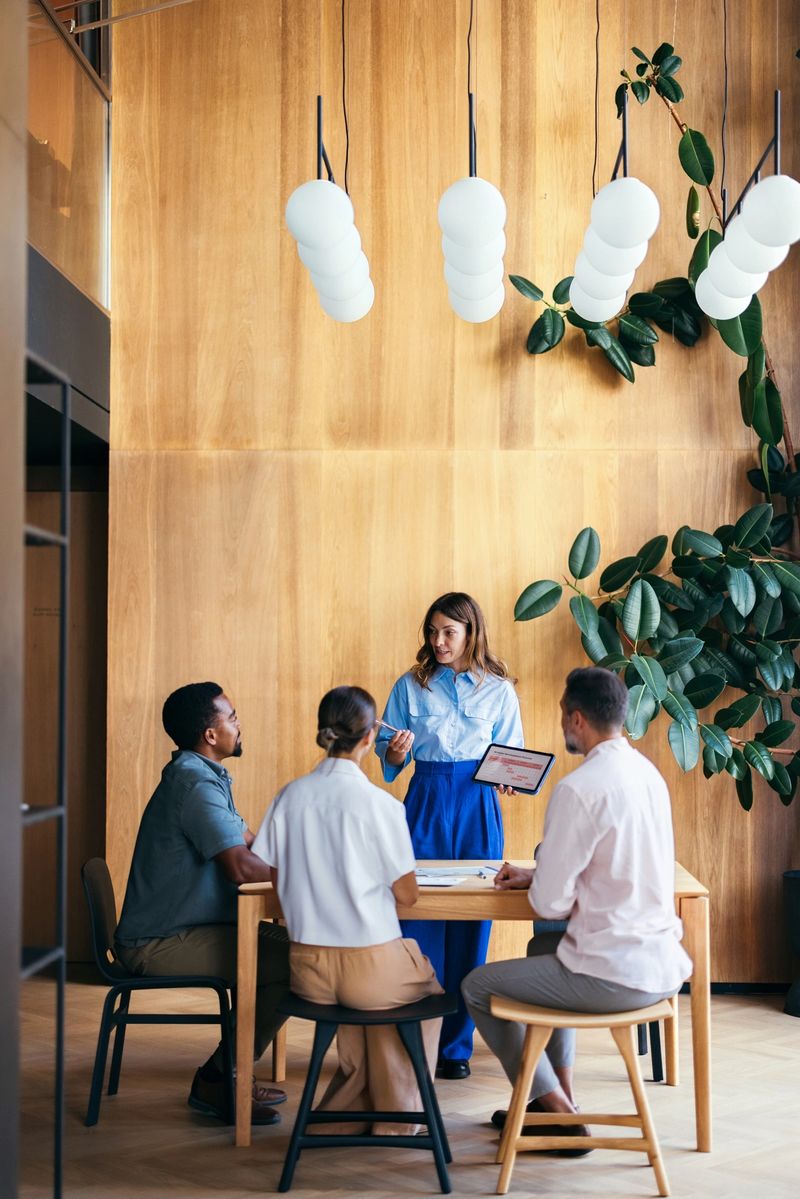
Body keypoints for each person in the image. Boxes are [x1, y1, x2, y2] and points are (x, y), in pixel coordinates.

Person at [462, 666, 692, 1153]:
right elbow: (613, 865)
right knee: (545, 943)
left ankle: (560, 1112)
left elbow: (550, 902)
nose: (563, 724)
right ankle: (556, 1100)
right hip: (662, 965)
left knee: (476, 986)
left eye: (564, 715)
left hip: (610, 975)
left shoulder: (578, 788)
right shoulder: (648, 776)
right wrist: (541, 873)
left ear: (577, 718)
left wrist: (541, 876)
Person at [251, 685, 443, 1135]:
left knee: (363, 1006)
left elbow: (278, 885)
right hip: (370, 973)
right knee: (426, 995)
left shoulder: (289, 796)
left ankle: (354, 1103)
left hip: (308, 972)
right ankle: (398, 1114)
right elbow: (408, 897)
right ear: (369, 735)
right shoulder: (380, 805)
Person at [114, 682, 290, 1126]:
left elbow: (253, 843)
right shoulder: (194, 783)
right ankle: (219, 1079)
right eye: (231, 717)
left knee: (295, 951)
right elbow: (242, 868)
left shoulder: (201, 775)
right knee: (298, 963)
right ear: (210, 735)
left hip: (184, 927)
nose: (238, 723)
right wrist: (314, 879)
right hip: (161, 941)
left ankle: (227, 1073)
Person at [375, 592, 523, 1079]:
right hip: (426, 799)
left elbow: (513, 755)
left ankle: (455, 1049)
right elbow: (389, 760)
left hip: (479, 804)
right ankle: (414, 1040)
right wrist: (395, 753)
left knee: (472, 925)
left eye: (449, 632)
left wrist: (510, 776)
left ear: (470, 633)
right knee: (415, 919)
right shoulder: (410, 685)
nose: (438, 642)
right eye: (433, 632)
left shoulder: (499, 689)